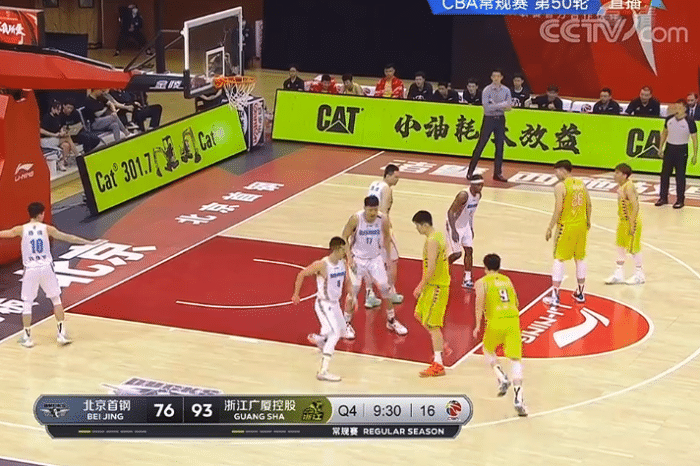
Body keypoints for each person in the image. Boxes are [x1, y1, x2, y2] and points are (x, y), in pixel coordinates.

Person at [0, 202, 96, 348]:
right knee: (56, 300)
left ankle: (27, 337)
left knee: (27, 303)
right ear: (40, 214)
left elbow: (3, 234)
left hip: (30, 269)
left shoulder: (20, 229)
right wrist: (87, 242)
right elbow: (68, 237)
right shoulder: (47, 229)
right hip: (46, 268)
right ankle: (61, 334)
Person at [341, 196, 408, 339]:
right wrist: (349, 257)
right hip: (357, 259)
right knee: (353, 291)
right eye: (370, 210)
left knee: (385, 288)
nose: (373, 213)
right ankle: (345, 323)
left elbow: (387, 238)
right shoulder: (356, 219)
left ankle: (391, 320)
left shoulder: (382, 219)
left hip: (375, 258)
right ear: (365, 208)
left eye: (375, 210)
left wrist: (387, 257)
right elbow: (344, 237)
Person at [473, 253, 527, 417]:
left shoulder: (481, 282)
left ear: (485, 267)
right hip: (513, 320)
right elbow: (516, 301)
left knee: (487, 349)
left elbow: (479, 304)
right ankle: (519, 399)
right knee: (515, 361)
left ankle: (501, 376)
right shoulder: (507, 280)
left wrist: (477, 325)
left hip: (495, 320)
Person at [292, 237, 349, 382]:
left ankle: (321, 339)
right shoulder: (322, 264)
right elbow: (302, 274)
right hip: (324, 304)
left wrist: (352, 295)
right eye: (343, 249)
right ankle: (323, 371)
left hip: (335, 304)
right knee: (335, 333)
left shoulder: (343, 263)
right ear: (336, 249)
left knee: (343, 331)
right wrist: (296, 294)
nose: (345, 252)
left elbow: (345, 280)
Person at [545, 160, 592, 308]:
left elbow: (558, 209)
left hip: (566, 226)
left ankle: (555, 296)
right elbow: (589, 204)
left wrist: (550, 227)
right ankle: (581, 293)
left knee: (559, 258)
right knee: (580, 258)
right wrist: (588, 220)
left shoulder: (560, 186)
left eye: (556, 171)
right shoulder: (581, 184)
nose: (555, 174)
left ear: (562, 170)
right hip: (581, 226)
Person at [412, 210, 451, 378]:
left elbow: (432, 267)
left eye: (417, 226)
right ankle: (441, 345)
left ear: (424, 225)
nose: (417, 229)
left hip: (437, 286)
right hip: (434, 285)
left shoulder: (433, 241)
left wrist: (420, 286)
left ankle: (438, 364)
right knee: (419, 314)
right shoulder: (438, 235)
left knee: (433, 325)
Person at [366, 164, 403, 306]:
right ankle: (390, 292)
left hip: (369, 227)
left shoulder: (374, 185)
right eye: (395, 177)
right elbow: (383, 212)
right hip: (381, 228)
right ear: (388, 175)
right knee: (392, 260)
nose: (397, 180)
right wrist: (387, 232)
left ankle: (369, 295)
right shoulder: (387, 188)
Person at [466, 69, 512, 182]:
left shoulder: (506, 90)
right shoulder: (487, 90)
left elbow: (509, 107)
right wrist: (501, 105)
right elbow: (486, 107)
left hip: (500, 119)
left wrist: (495, 105)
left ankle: (497, 173)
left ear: (501, 77)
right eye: (494, 76)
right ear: (491, 77)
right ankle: (470, 171)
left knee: (500, 146)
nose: (496, 78)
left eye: (498, 76)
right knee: (481, 145)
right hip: (489, 119)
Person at [605, 163, 645, 285]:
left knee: (634, 249)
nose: (615, 175)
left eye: (617, 173)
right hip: (622, 221)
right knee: (620, 247)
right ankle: (619, 274)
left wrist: (632, 224)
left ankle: (639, 275)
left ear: (625, 175)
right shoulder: (622, 186)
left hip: (631, 221)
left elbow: (635, 205)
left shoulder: (629, 187)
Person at [656, 100, 698, 209]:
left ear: (684, 109)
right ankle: (663, 197)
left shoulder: (689, 121)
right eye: (675, 107)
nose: (676, 110)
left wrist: (695, 154)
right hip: (669, 148)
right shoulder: (669, 119)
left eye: (679, 108)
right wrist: (660, 148)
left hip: (681, 150)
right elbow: (664, 133)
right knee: (664, 175)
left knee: (680, 176)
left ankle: (680, 200)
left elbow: (694, 139)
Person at [446, 174, 483, 289]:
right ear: (472, 185)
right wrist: (453, 230)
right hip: (454, 225)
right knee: (457, 254)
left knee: (469, 251)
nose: (481, 187)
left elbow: (471, 213)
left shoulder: (478, 196)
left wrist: (471, 227)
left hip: (465, 225)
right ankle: (442, 267)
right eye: (478, 185)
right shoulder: (463, 195)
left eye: (482, 185)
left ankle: (467, 279)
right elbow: (450, 212)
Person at [40, 100, 74, 171]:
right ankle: (77, 154)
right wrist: (55, 135)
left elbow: (60, 127)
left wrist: (62, 132)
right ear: (53, 109)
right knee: (67, 138)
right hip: (46, 140)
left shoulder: (57, 118)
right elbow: (41, 130)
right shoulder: (46, 117)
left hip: (55, 139)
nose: (59, 111)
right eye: (58, 109)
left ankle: (62, 163)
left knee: (66, 145)